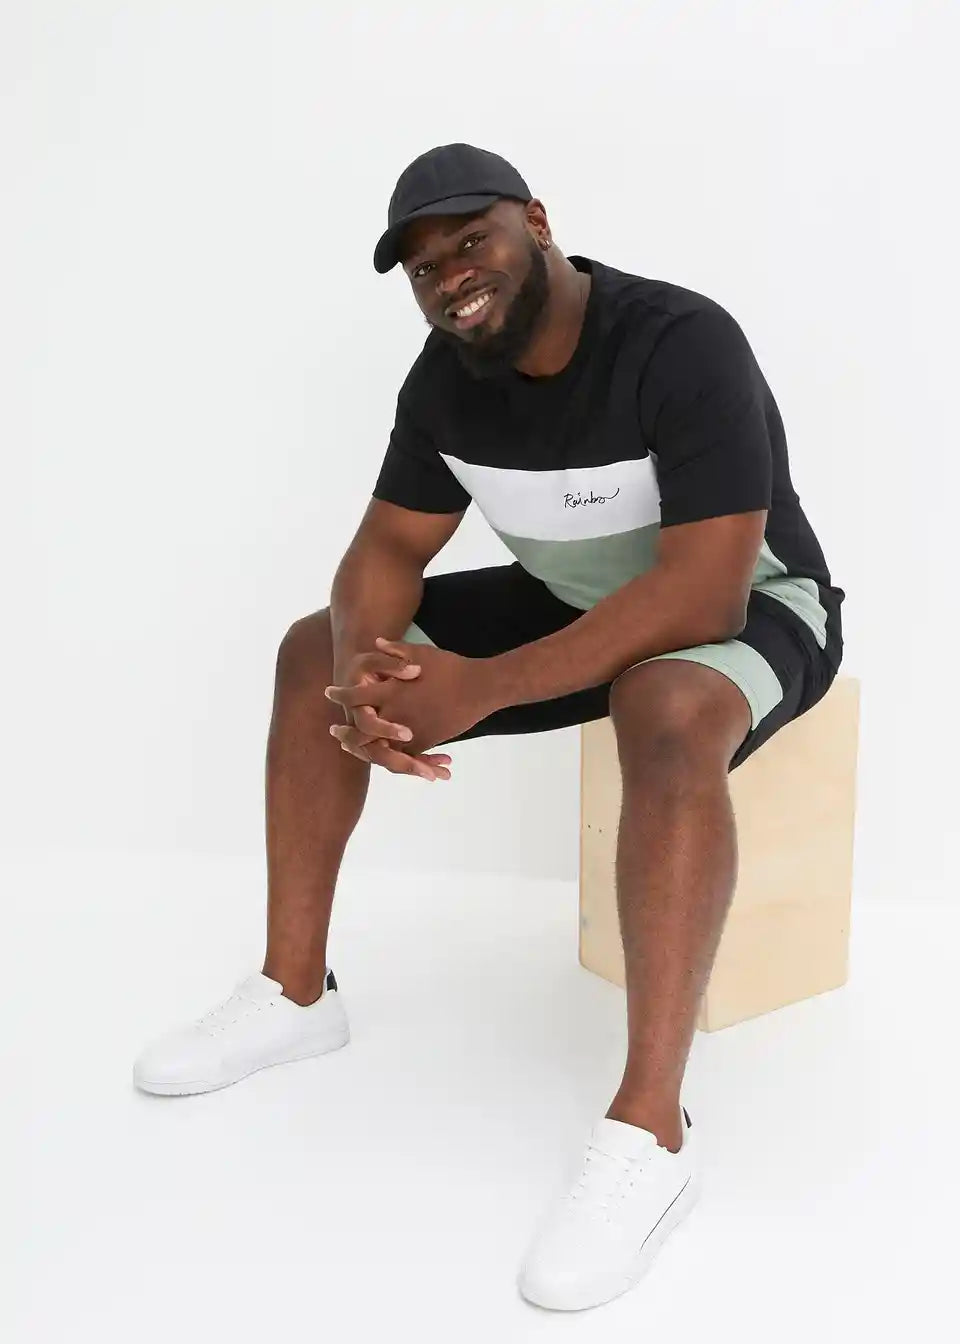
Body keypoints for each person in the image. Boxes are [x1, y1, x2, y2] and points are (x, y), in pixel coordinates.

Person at [133, 143, 845, 1311]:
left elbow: (702, 595)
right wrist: (362, 683)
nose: (451, 275)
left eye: (472, 241)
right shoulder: (443, 384)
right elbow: (386, 549)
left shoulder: (680, 341)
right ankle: (296, 994)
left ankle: (651, 1132)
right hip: (577, 601)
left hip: (756, 605)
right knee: (313, 650)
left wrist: (482, 687)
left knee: (664, 706)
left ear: (537, 222)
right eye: (424, 266)